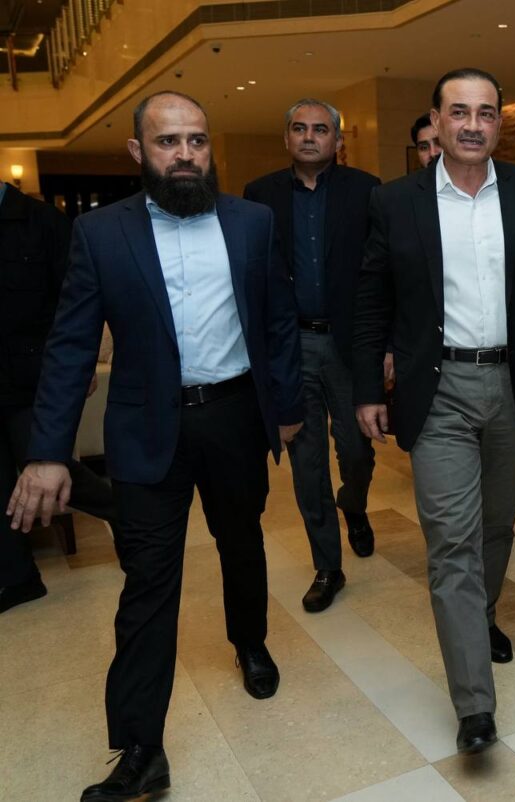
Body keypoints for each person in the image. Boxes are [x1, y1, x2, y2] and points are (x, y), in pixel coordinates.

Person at [6, 91, 304, 800]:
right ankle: (142, 749)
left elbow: (278, 320)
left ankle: (249, 641)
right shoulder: (101, 233)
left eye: (196, 140)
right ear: (139, 152)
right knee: (146, 583)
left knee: (242, 542)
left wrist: (287, 408)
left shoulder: (253, 222)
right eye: (168, 142)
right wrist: (47, 450)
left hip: (234, 418)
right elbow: (71, 344)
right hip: (145, 430)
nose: (185, 155)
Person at [352, 67, 515, 755]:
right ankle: (475, 705)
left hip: (514, 384)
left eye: (485, 113)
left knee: (496, 527)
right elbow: (372, 299)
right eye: (459, 112)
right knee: (452, 540)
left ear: (499, 123)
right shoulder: (396, 202)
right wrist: (367, 388)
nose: (473, 124)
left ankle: (478, 617)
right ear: (436, 122)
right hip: (438, 387)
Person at [244, 99, 381, 614]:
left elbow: (381, 275)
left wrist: (386, 345)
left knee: (357, 451)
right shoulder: (259, 197)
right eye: (299, 128)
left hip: (349, 345)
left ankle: (355, 504)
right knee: (307, 464)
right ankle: (328, 565)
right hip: (291, 347)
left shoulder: (367, 191)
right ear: (286, 138)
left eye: (320, 129)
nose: (308, 137)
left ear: (337, 140)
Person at [0, 180, 119, 614]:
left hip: (33, 380)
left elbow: (77, 308)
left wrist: (80, 369)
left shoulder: (44, 222)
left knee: (52, 467)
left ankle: (127, 515)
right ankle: (17, 578)